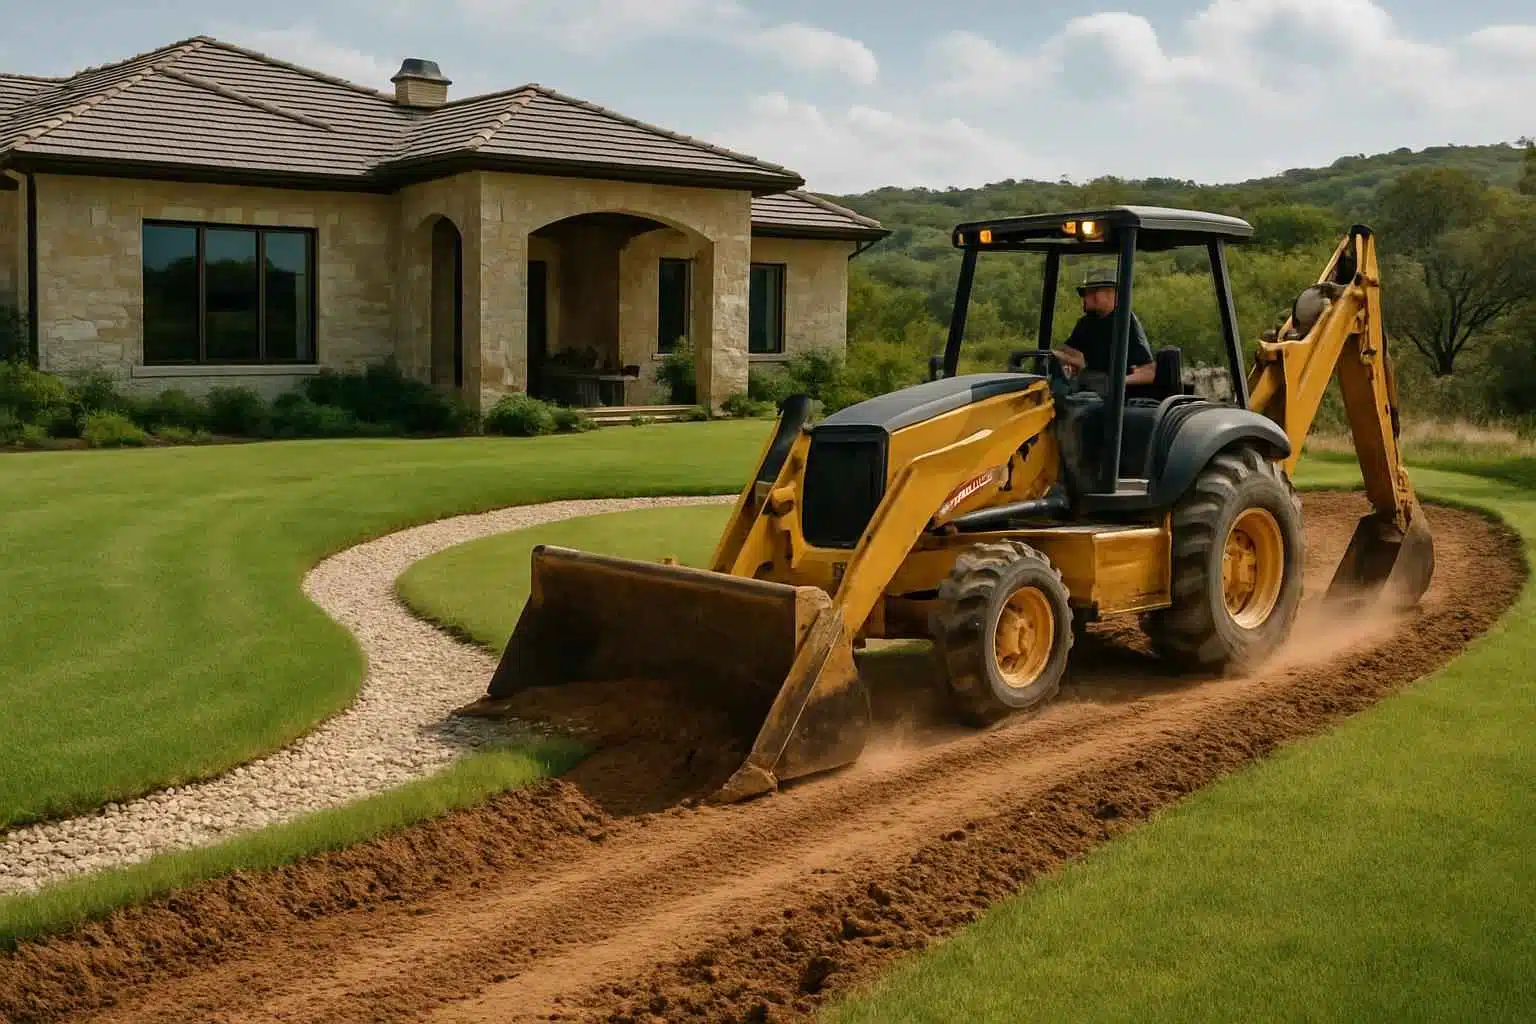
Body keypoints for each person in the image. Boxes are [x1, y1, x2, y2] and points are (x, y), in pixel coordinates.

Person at [1051, 268, 1156, 392]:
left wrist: (1115, 382)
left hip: (1115, 398)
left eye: (1090, 292)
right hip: (1088, 390)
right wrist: (1057, 357)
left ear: (1111, 294)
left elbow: (1149, 372)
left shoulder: (1126, 323)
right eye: (1086, 293)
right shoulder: (1086, 323)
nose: (1085, 298)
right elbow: (1070, 353)